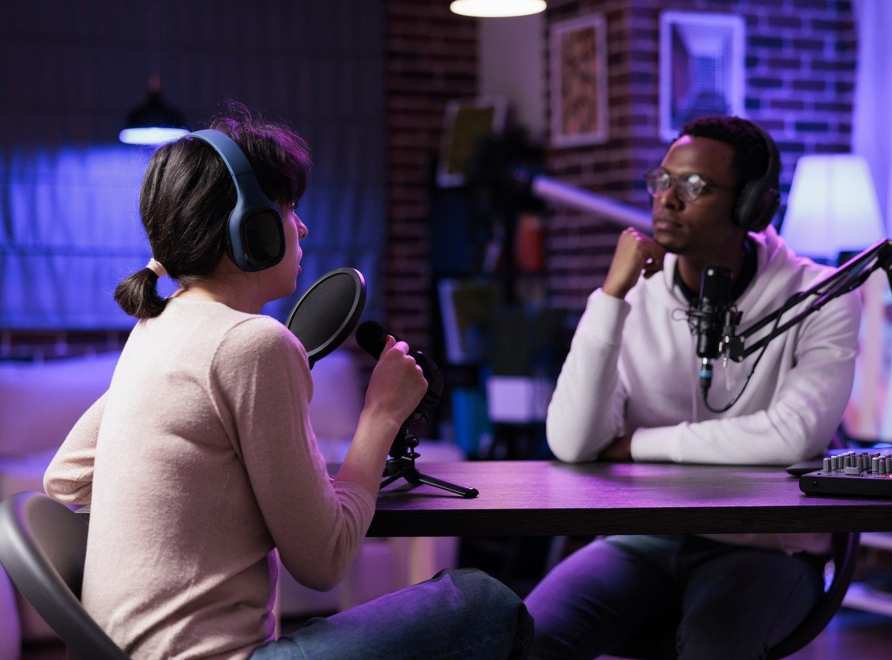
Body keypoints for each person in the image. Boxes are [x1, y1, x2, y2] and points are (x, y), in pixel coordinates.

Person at [43, 104, 532, 660]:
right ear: (249, 229)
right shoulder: (256, 344)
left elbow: (66, 479)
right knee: (482, 602)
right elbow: (324, 561)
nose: (302, 226)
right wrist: (382, 413)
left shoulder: (159, 323)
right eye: (289, 207)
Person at [526, 116, 861, 659]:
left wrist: (637, 444)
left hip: (766, 549)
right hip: (643, 538)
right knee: (527, 637)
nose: (668, 200)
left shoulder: (822, 296)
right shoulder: (633, 298)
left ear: (751, 206)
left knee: (712, 647)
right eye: (662, 181)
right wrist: (610, 296)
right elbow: (570, 443)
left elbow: (793, 436)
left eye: (695, 187)